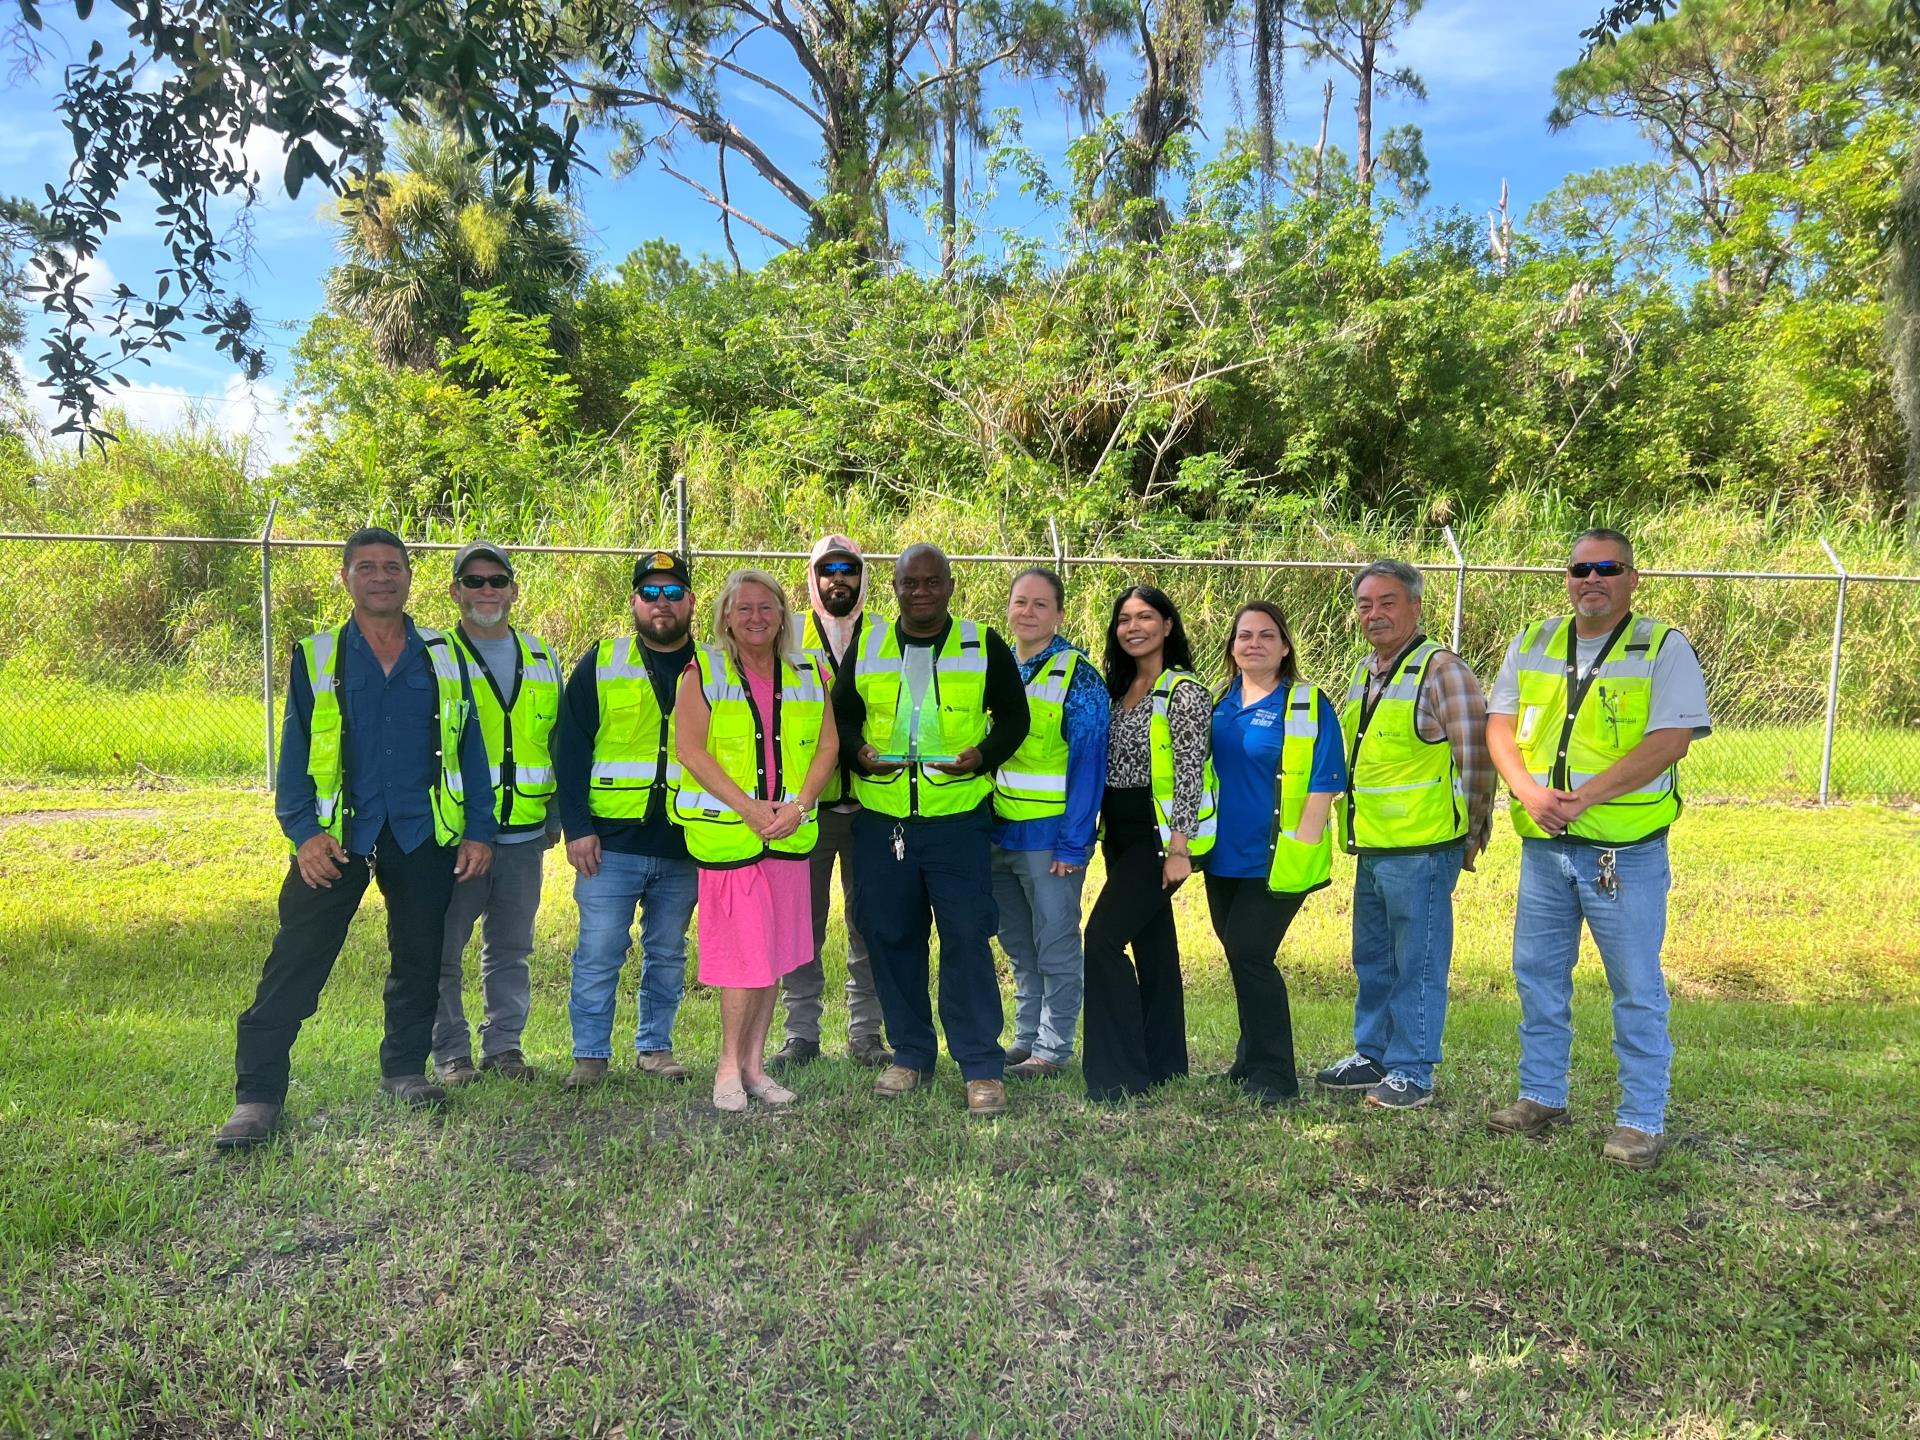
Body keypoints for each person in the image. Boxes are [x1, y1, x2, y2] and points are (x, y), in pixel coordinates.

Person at [215, 527, 496, 1149]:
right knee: (296, 962)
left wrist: (479, 828)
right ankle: (256, 1096)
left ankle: (404, 1071)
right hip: (337, 838)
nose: (380, 576)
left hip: (422, 831)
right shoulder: (317, 656)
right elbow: (292, 754)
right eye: (366, 567)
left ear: (408, 577)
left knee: (419, 958)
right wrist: (303, 831)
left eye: (392, 566)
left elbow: (471, 748)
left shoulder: (444, 654)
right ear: (345, 578)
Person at [1484, 528, 1710, 1170]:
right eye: (1581, 568)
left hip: (1623, 852)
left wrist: (1582, 799)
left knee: (1635, 985)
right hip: (1546, 848)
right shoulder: (1532, 641)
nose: (1592, 580)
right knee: (1537, 977)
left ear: (1631, 578)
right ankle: (1541, 1096)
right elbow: (1499, 723)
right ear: (1568, 578)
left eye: (1607, 568)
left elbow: (1671, 739)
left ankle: (1640, 1119)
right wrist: (1528, 792)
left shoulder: (1662, 647)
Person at [833, 544, 1030, 1117]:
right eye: (908, 583)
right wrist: (860, 755)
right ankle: (911, 1054)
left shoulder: (981, 642)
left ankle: (980, 1067)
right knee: (891, 936)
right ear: (892, 587)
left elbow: (1014, 718)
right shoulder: (868, 644)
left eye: (930, 582)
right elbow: (842, 717)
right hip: (884, 822)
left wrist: (983, 756)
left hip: (958, 821)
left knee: (967, 937)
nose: (919, 592)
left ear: (949, 585)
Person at [1313, 558, 1494, 1111]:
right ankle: (1373, 1055)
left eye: (1387, 602)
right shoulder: (1366, 671)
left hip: (1423, 849)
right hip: (1373, 847)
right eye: (1365, 604)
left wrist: (1472, 833)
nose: (1374, 614)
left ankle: (1413, 1069)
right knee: (1372, 959)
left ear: (1415, 606)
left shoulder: (1442, 670)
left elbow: (1477, 759)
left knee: (1417, 962)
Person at [673, 570, 841, 1110]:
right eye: (743, 608)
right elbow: (691, 751)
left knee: (770, 956)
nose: (755, 618)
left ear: (782, 616)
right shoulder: (703, 670)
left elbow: (826, 747)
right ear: (725, 615)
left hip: (788, 836)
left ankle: (754, 1067)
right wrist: (750, 810)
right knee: (743, 957)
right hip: (731, 838)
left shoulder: (810, 669)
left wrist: (797, 807)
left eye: (766, 608)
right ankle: (726, 1067)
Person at [553, 551, 700, 1089]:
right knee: (598, 950)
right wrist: (578, 828)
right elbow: (570, 749)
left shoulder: (713, 666)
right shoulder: (603, 660)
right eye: (650, 594)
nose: (662, 604)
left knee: (667, 951)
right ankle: (590, 1054)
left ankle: (656, 1047)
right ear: (635, 603)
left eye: (673, 593)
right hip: (609, 842)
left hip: (687, 843)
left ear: (690, 601)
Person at [1205, 602, 1346, 1107]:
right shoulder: (1219, 702)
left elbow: (1324, 783)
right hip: (1222, 858)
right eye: (1245, 635)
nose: (1255, 644)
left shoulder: (1306, 704)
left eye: (1267, 635)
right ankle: (1248, 1058)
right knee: (1240, 955)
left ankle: (1277, 1075)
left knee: (1250, 953)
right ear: (1232, 646)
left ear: (1285, 646)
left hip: (1276, 858)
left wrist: (1299, 851)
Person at [430, 542, 560, 1086]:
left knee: (511, 949)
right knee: (441, 951)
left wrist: (553, 816)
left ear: (513, 588)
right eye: (475, 580)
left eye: (497, 580)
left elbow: (556, 740)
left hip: (525, 835)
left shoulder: (541, 655)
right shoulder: (435, 655)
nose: (487, 590)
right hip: (457, 836)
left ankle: (504, 1049)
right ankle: (452, 1055)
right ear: (455, 590)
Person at [1081, 585, 1215, 1104]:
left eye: (1145, 617)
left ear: (1167, 626)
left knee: (1103, 938)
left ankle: (1119, 1074)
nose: (1133, 627)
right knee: (1154, 944)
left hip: (1158, 836)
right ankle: (1164, 1063)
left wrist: (1179, 847)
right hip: (1118, 831)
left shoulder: (1183, 691)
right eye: (1124, 619)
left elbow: (1190, 772)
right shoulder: (1120, 688)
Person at [770, 535, 890, 1072]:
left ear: (863, 577)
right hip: (805, 810)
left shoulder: (886, 637)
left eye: (848, 569)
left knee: (873, 923)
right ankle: (802, 1034)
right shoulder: (784, 635)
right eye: (827, 570)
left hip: (872, 810)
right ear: (811, 577)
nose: (837, 579)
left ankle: (866, 1035)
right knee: (801, 925)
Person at [990, 567, 1107, 1080]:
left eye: (1041, 604)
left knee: (1055, 942)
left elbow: (1089, 764)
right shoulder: (997, 668)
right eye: (1020, 602)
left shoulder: (1076, 675)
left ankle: (1054, 1049)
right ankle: (1025, 1038)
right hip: (999, 832)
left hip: (1050, 838)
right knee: (1018, 943)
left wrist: (1075, 843)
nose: (1029, 612)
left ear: (1059, 613)